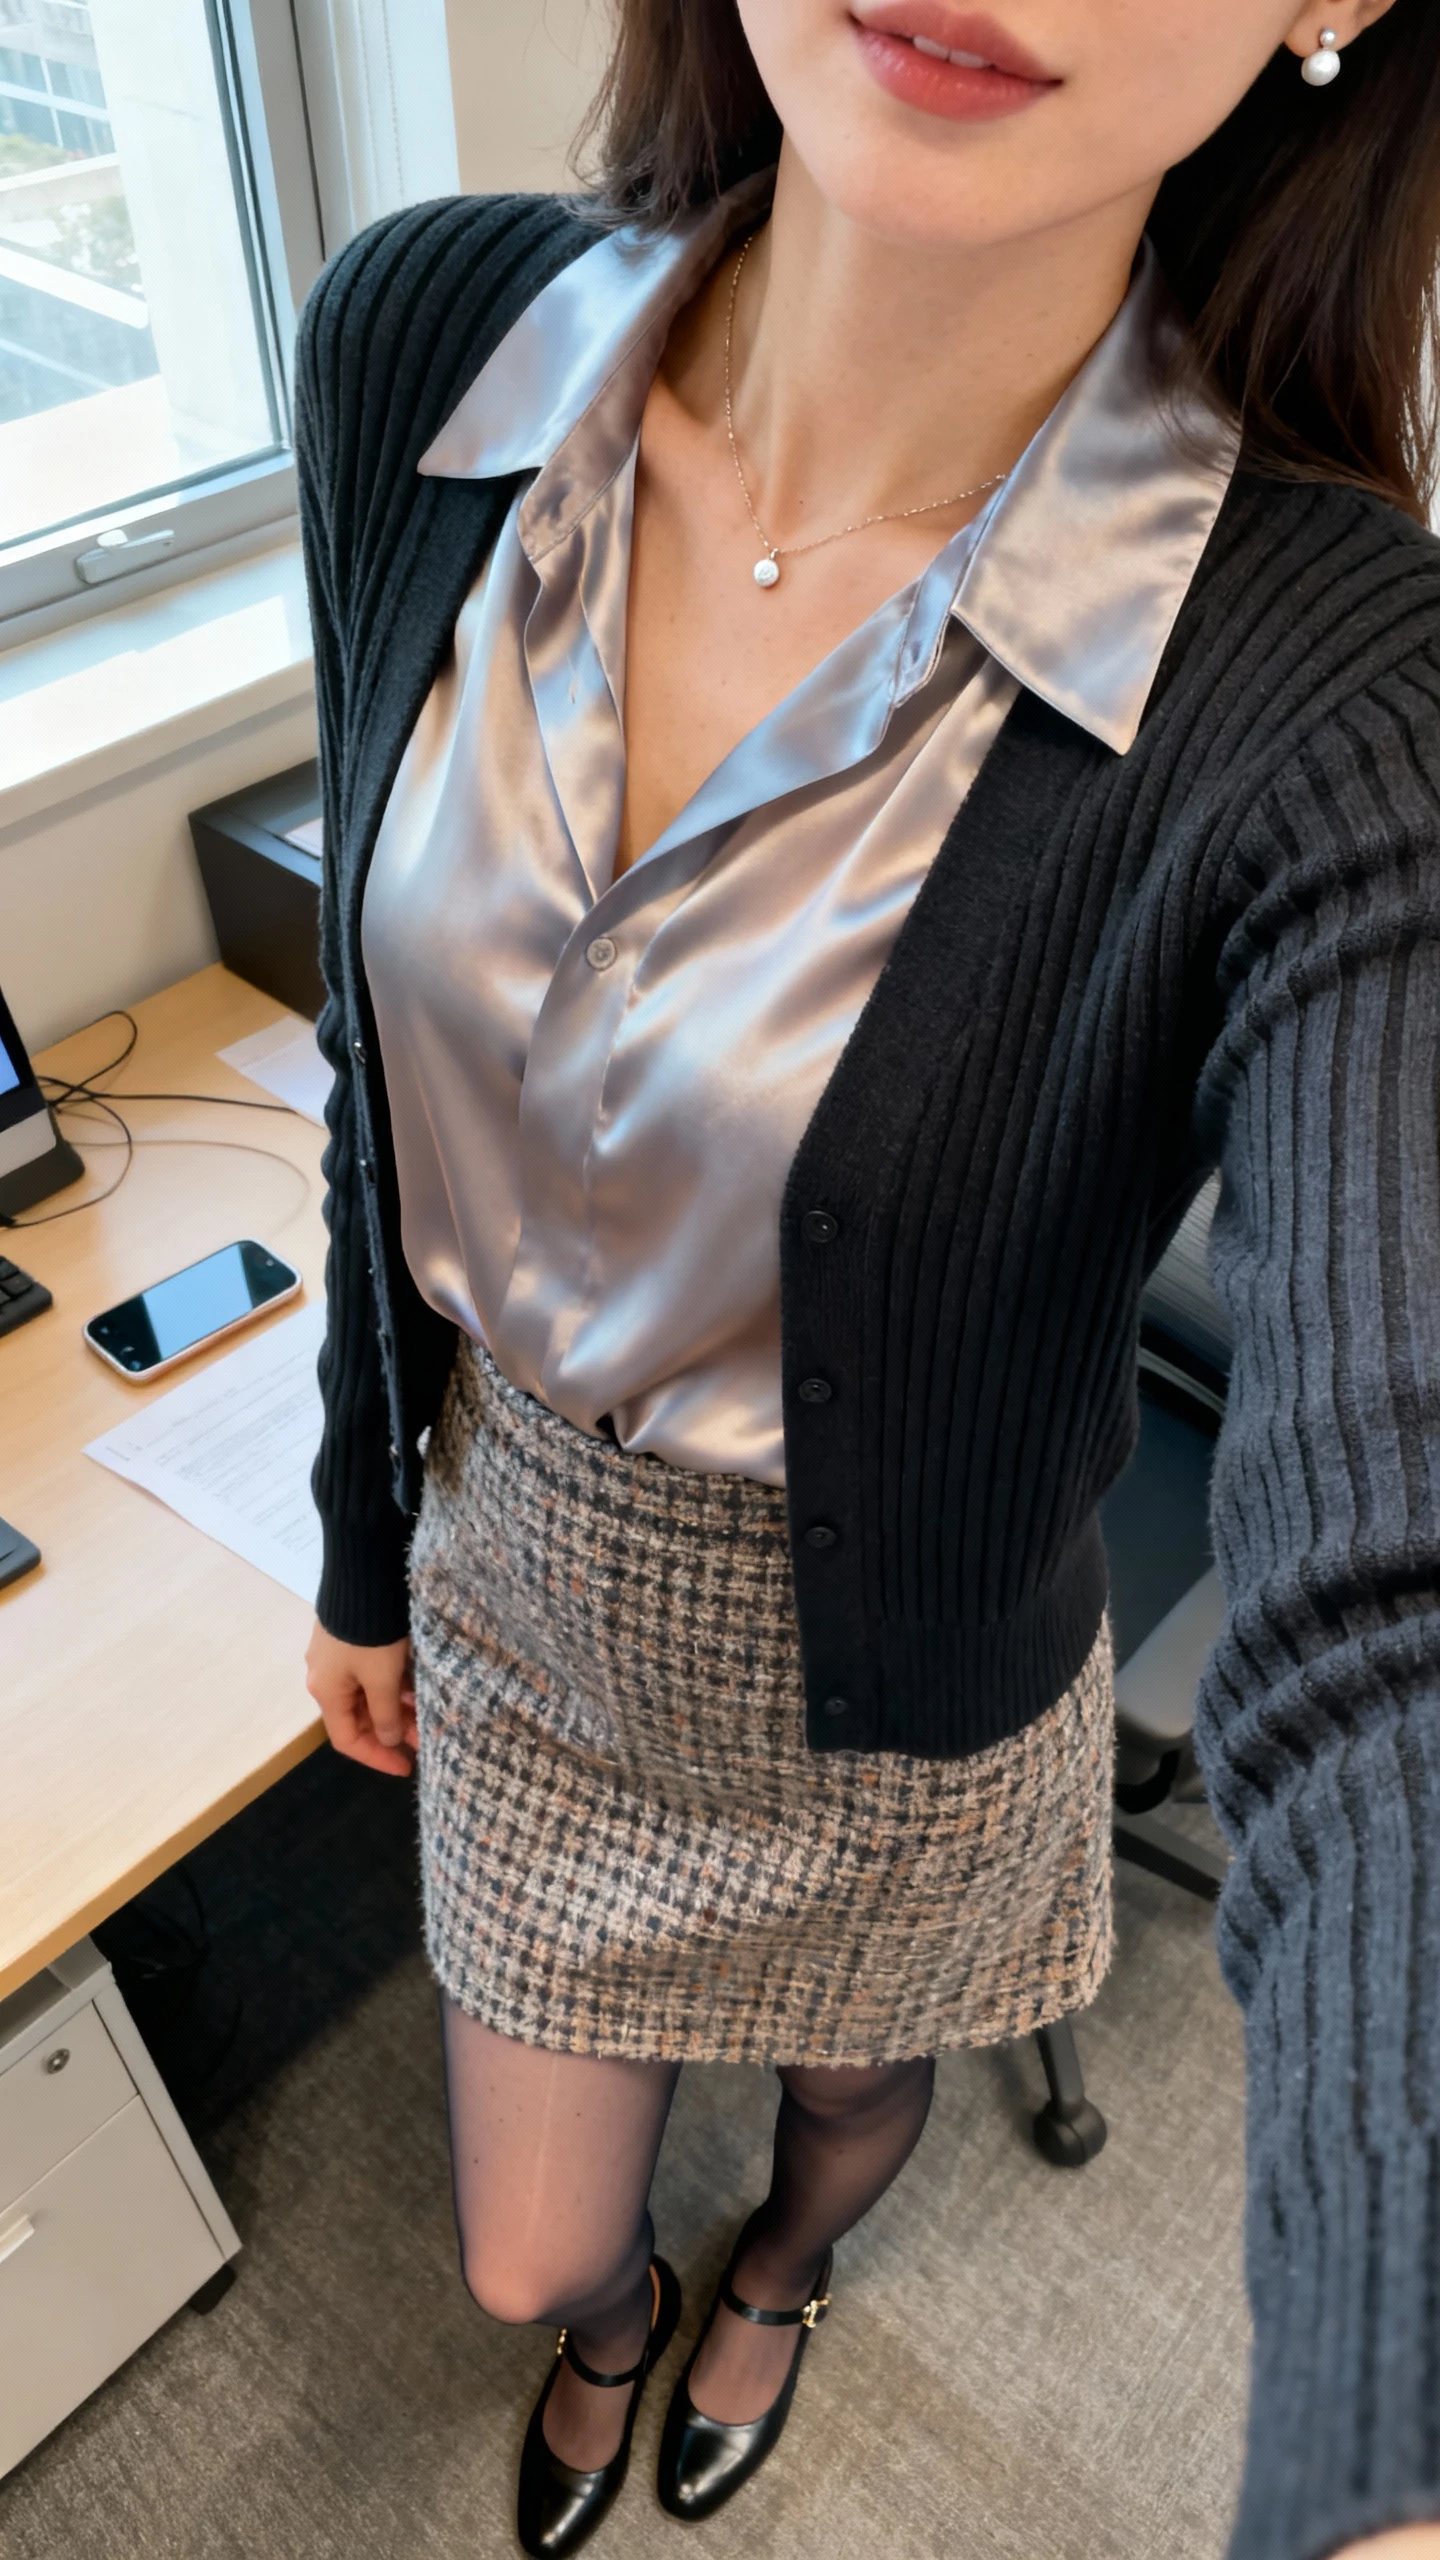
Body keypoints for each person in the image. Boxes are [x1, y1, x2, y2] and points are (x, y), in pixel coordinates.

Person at [298, 1, 1440, 2553]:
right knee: (526, 2239)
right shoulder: (420, 349)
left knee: (847, 2082)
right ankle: (623, 2316)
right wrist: (361, 1536)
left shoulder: (1343, 681)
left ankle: (785, 2275)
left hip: (907, 1652)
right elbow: (376, 1084)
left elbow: (1408, 1604)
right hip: (516, 1585)